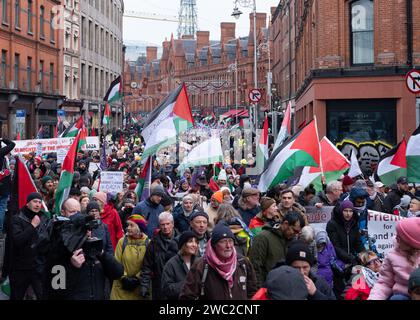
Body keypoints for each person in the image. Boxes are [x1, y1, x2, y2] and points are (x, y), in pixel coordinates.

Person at [179, 223, 257, 300]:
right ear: (214, 245)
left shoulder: (243, 263)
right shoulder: (201, 266)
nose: (228, 246)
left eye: (230, 241)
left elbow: (253, 293)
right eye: (223, 241)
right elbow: (187, 296)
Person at [9, 193, 49, 300]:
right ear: (27, 203)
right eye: (35, 201)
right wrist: (32, 226)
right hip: (21, 268)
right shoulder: (17, 218)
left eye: (40, 202)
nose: (37, 204)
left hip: (38, 266)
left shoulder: (44, 218)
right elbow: (18, 240)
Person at [249, 212, 305, 287]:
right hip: (268, 289)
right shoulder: (263, 238)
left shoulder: (293, 241)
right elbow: (255, 267)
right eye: (294, 231)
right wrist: (259, 290)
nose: (296, 234)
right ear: (285, 224)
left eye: (298, 232)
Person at [368, 218, 420, 300]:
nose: (395, 238)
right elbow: (384, 282)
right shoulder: (392, 255)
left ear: (410, 243)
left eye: (399, 237)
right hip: (402, 294)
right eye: (396, 234)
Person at [140, 212, 179, 300]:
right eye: (162, 224)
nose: (165, 227)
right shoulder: (153, 243)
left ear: (172, 224)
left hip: (177, 286)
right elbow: (147, 266)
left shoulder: (181, 241)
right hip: (159, 286)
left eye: (168, 224)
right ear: (159, 226)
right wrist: (144, 286)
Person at [110, 214, 150, 300]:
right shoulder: (122, 241)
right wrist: (124, 278)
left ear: (139, 227)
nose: (128, 228)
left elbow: (148, 266)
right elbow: (116, 262)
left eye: (131, 225)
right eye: (128, 225)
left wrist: (137, 278)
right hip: (121, 287)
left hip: (139, 287)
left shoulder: (148, 243)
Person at [161, 231, 198, 300]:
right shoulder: (171, 264)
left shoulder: (199, 262)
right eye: (190, 241)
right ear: (183, 244)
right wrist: (187, 284)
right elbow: (166, 289)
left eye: (196, 242)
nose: (194, 244)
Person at [326, 200, 363, 266]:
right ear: (341, 211)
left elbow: (358, 243)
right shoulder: (332, 224)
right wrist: (350, 258)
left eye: (350, 211)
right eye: (345, 211)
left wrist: (365, 254)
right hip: (337, 260)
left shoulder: (354, 223)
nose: (348, 214)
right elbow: (335, 246)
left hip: (351, 258)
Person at [0, 138, 16, 236]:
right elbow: (12, 144)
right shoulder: (1, 152)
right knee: (1, 207)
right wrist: (3, 139)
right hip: (2, 186)